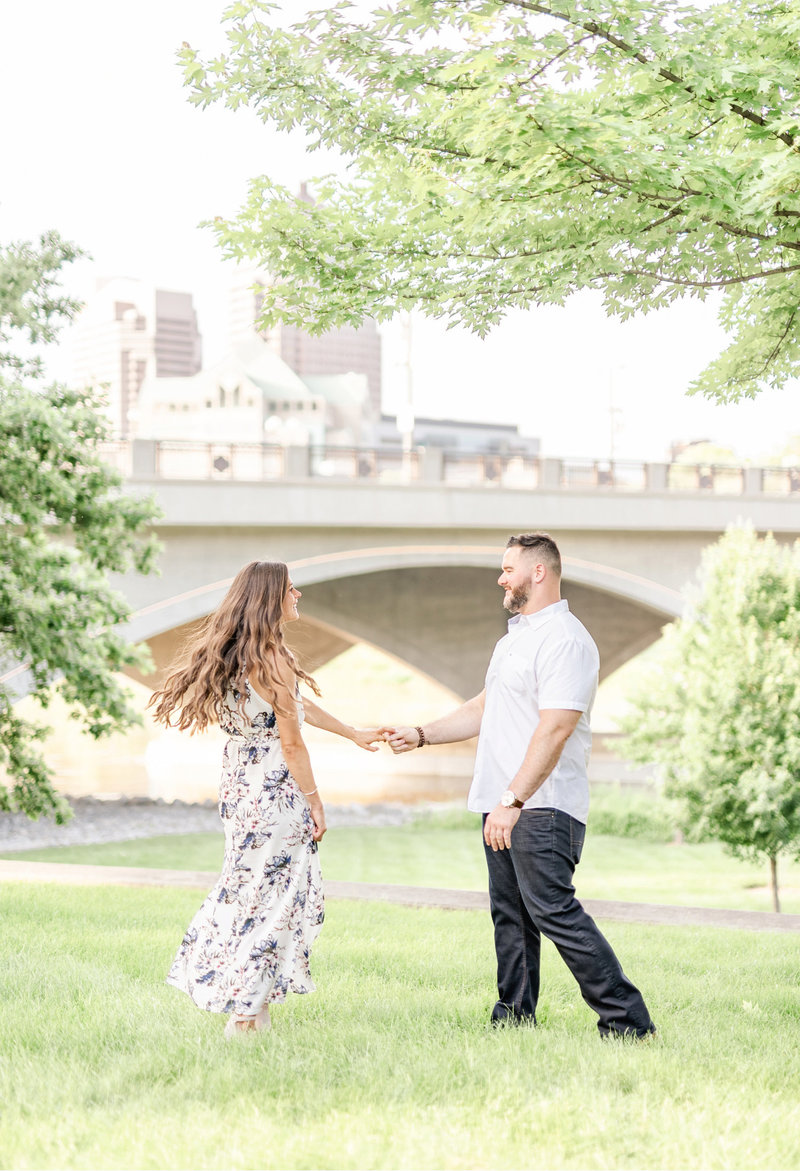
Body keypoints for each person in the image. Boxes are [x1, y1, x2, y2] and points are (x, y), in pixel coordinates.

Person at [386, 532, 656, 1038]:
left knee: (554, 912)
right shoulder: (514, 639)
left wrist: (514, 799)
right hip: (503, 804)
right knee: (510, 917)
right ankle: (513, 1017)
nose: (500, 577)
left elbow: (555, 726)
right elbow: (482, 709)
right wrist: (422, 735)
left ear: (539, 572)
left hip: (541, 807)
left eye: (508, 568)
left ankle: (629, 1023)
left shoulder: (567, 640)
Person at [149, 560, 385, 1037]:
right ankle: (245, 1015)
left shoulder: (242, 653)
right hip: (275, 790)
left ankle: (254, 1010)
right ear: (271, 597)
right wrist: (315, 800)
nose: (298, 595)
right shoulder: (271, 660)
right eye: (291, 589)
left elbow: (296, 705)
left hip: (240, 785)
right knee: (276, 897)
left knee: (250, 890)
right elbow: (292, 741)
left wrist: (352, 732)